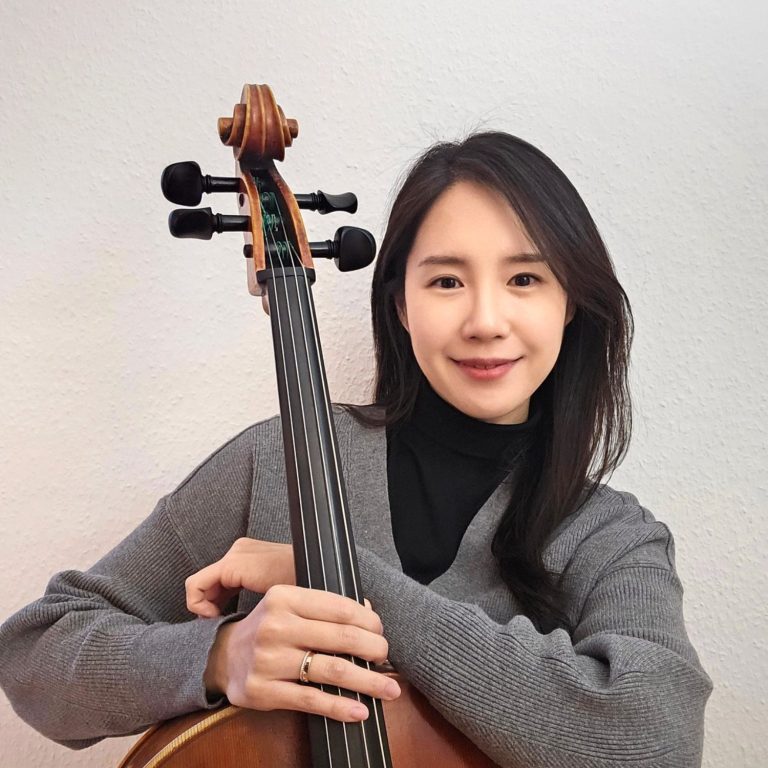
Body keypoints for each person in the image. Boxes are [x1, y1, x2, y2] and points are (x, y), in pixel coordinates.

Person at [0, 132, 713, 766]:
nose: (486, 320)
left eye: (524, 279)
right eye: (447, 281)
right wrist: (217, 655)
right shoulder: (276, 462)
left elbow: (656, 743)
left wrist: (349, 582)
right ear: (400, 304)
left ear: (570, 302)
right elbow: (34, 654)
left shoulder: (611, 537)